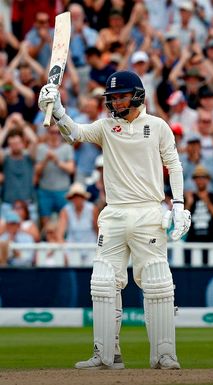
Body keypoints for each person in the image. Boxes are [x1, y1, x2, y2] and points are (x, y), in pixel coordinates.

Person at [38, 70, 191, 370]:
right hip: (114, 213)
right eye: (111, 98)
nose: (114, 102)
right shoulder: (106, 127)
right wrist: (57, 110)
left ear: (136, 95)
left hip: (149, 211)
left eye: (119, 96)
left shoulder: (157, 126)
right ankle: (107, 355)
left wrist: (179, 204)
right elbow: (75, 134)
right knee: (104, 282)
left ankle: (164, 354)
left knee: (158, 282)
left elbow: (173, 164)